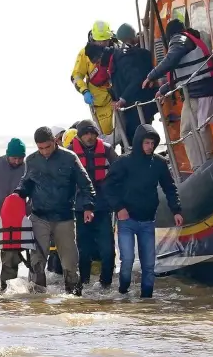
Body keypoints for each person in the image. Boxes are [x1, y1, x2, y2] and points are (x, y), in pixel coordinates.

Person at [14, 126, 96, 295]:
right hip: (39, 217)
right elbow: (26, 183)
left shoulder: (70, 158)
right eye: (40, 148)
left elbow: (86, 184)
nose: (44, 151)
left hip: (64, 218)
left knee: (70, 263)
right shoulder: (32, 160)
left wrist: (88, 207)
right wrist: (18, 194)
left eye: (47, 147)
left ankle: (73, 301)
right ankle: (38, 304)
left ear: (54, 141)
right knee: (36, 262)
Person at [104, 124, 183, 298]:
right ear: (139, 142)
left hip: (148, 221)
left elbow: (170, 188)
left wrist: (176, 210)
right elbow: (108, 186)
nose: (150, 146)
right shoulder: (124, 162)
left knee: (149, 265)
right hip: (127, 220)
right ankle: (123, 293)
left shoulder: (159, 164)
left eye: (152, 143)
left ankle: (147, 302)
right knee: (127, 262)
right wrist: (119, 208)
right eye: (146, 143)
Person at [143, 19, 213, 171]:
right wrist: (164, 90)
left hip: (197, 93)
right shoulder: (192, 40)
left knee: (188, 130)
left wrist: (151, 76)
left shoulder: (180, 39)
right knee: (200, 127)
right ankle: (208, 161)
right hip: (204, 89)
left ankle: (201, 166)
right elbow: (182, 75)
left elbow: (171, 59)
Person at [69, 120, 118, 288]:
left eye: (93, 133)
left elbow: (120, 171)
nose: (90, 137)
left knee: (108, 251)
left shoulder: (107, 150)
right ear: (79, 135)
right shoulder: (69, 153)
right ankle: (83, 285)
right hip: (80, 207)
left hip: (103, 207)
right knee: (83, 250)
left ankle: (106, 286)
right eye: (86, 134)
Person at [109, 23, 159, 145]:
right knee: (141, 138)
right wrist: (123, 99)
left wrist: (121, 99)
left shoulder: (117, 56)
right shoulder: (143, 54)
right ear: (132, 36)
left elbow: (125, 79)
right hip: (141, 104)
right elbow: (138, 78)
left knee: (132, 141)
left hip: (130, 107)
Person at [0, 139, 27, 289]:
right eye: (14, 158)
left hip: (14, 224)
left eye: (20, 158)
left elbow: (33, 195)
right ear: (7, 154)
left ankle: (7, 293)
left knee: (11, 259)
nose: (17, 161)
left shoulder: (27, 168)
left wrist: (26, 212)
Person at [71, 20, 115, 135]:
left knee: (128, 131)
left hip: (119, 97)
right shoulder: (85, 54)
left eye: (105, 40)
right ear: (93, 39)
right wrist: (84, 91)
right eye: (99, 41)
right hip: (99, 101)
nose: (103, 44)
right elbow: (76, 75)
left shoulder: (117, 47)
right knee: (106, 134)